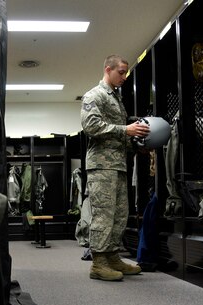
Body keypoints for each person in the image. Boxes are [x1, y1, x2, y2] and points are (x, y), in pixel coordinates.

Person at [80, 54, 149, 281]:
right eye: (121, 72)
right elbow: (91, 126)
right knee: (104, 215)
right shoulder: (95, 95)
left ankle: (112, 257)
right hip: (101, 166)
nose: (124, 77)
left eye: (126, 73)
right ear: (107, 69)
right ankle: (98, 263)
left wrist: (134, 144)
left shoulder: (117, 100)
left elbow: (118, 135)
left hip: (118, 165)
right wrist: (125, 130)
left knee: (120, 215)